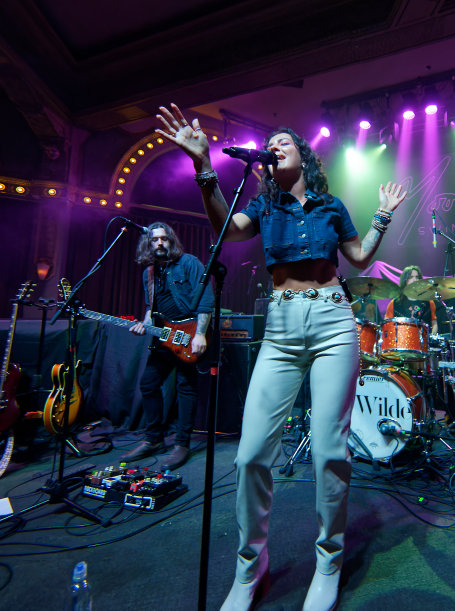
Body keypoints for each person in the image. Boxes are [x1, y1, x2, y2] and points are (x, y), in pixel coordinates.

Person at [154, 104, 407, 611]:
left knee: (330, 450)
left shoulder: (330, 206)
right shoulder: (262, 206)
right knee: (249, 455)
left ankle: (328, 562)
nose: (274, 147)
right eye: (270, 144)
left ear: (303, 157)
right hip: (282, 326)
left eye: (284, 141)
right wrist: (205, 169)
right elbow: (227, 232)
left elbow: (358, 259)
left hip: (334, 320)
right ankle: (250, 569)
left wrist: (383, 216)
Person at [121, 222, 213, 471]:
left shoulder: (190, 263)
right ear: (148, 243)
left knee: (186, 387)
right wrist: (144, 323)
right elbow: (152, 308)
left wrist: (201, 334)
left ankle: (182, 444)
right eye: (154, 240)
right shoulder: (148, 273)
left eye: (164, 239)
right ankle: (153, 440)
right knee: (148, 384)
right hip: (162, 338)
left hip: (189, 333)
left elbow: (205, 301)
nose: (159, 243)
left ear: (171, 241)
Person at [384, 265, 438, 335]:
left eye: (417, 277)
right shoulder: (394, 303)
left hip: (423, 343)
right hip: (402, 342)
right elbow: (387, 324)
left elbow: (434, 324)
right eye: (411, 277)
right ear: (405, 281)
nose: (415, 280)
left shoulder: (429, 302)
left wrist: (431, 338)